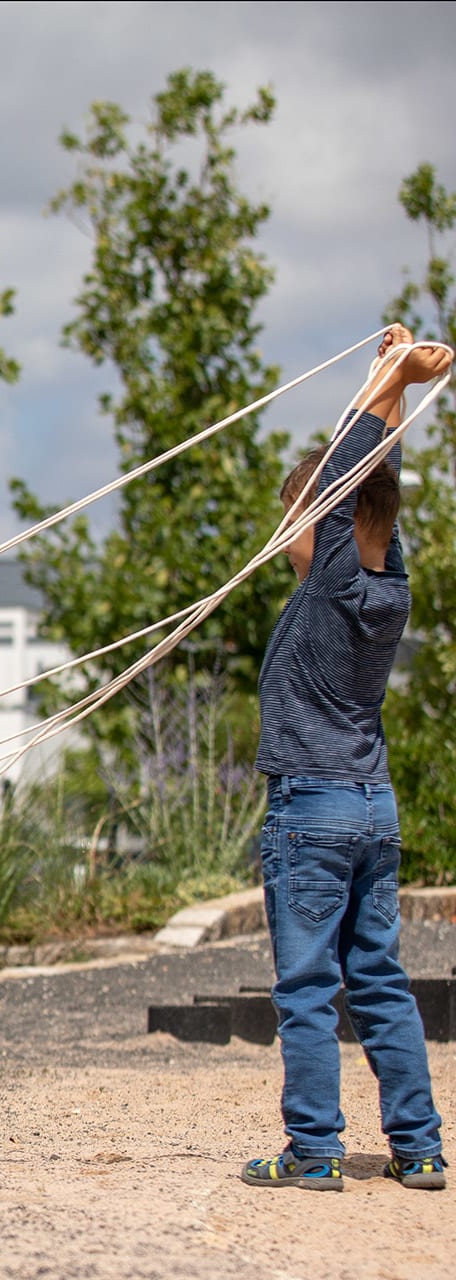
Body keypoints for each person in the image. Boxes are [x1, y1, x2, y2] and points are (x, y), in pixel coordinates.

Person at [244, 323, 449, 1192]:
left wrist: (390, 378)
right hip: (374, 808)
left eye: (300, 519)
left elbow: (346, 485)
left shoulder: (328, 580)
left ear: (326, 522)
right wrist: (389, 383)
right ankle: (419, 1147)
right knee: (379, 980)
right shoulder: (388, 584)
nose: (289, 532)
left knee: (306, 987)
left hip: (314, 811)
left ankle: (316, 1150)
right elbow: (371, 496)